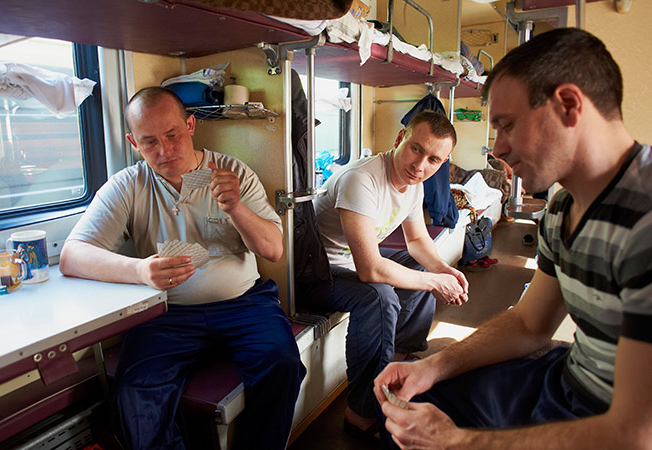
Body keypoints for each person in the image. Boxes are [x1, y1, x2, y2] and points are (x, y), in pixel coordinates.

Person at [374, 28, 652, 449]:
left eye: (507, 125)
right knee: (413, 401)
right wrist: (433, 366)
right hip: (569, 381)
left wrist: (457, 441)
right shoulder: (561, 210)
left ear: (569, 105)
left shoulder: (644, 220)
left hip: (613, 420)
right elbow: (529, 323)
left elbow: (634, 434)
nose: (497, 149)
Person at [60, 86, 305, 449]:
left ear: (190, 125)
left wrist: (235, 208)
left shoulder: (231, 172)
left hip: (243, 304)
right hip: (166, 312)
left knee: (282, 365)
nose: (164, 151)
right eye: (149, 142)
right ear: (133, 142)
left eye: (172, 135)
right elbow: (72, 255)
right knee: (134, 391)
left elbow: (272, 250)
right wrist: (140, 271)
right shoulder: (130, 185)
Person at [297, 110, 469, 438]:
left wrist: (443, 270)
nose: (420, 165)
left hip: (351, 262)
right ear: (399, 140)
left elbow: (418, 241)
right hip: (318, 270)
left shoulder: (414, 183)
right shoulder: (362, 179)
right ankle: (361, 412)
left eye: (434, 159)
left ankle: (399, 358)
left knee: (418, 265)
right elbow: (371, 268)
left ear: (443, 163)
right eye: (416, 149)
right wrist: (434, 283)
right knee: (380, 296)